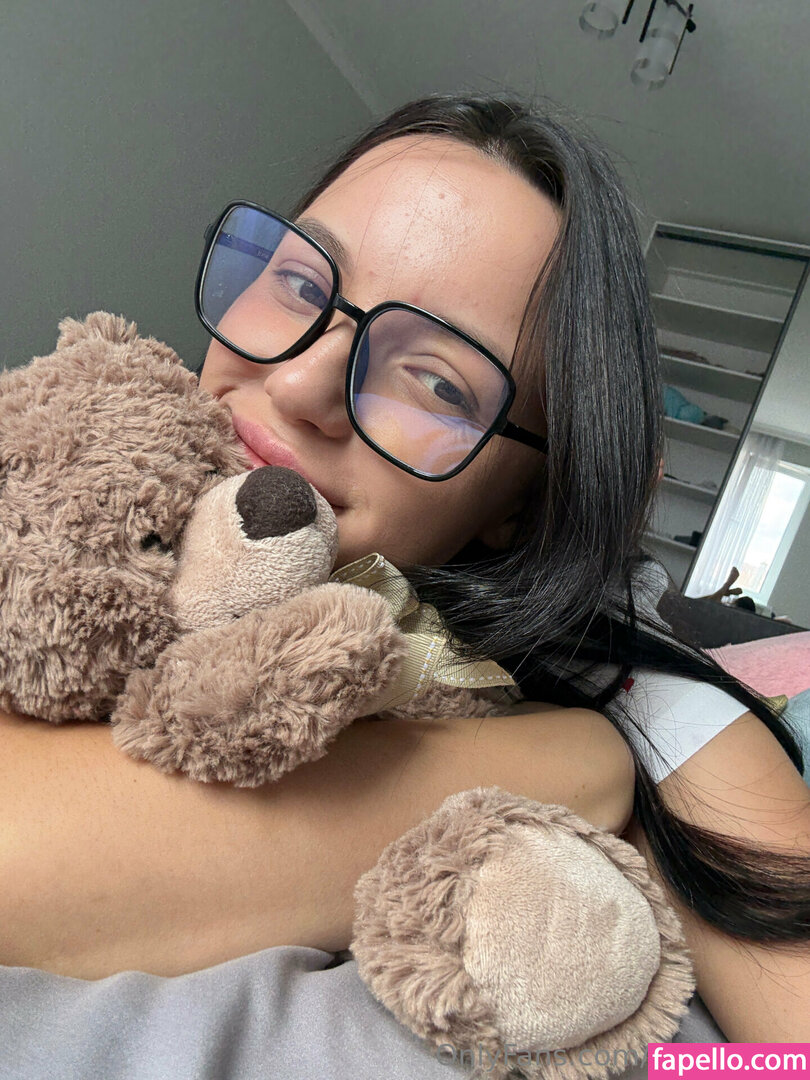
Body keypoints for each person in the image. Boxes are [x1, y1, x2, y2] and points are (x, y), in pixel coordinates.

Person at [1, 95, 808, 1057]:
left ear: (521, 503)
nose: (299, 384)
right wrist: (572, 766)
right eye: (299, 282)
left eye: (435, 380)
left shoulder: (649, 705)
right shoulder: (50, 491)